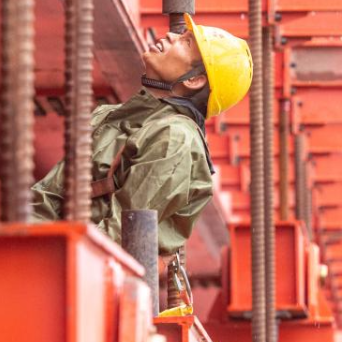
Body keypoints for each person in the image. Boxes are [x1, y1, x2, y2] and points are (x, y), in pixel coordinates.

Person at [31, 14, 252, 258]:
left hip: (85, 267)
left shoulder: (175, 139)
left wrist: (54, 263)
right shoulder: (108, 115)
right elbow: (50, 194)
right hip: (54, 255)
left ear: (193, 80)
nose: (171, 35)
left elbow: (120, 235)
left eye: (186, 42)